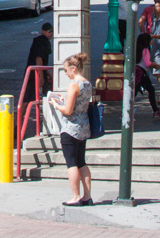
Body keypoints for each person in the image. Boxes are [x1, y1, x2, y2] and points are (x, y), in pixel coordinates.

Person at [50, 52, 93, 207]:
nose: (66, 73)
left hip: (70, 128)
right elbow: (80, 104)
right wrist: (65, 100)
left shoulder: (74, 84)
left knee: (71, 163)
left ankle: (75, 196)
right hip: (84, 126)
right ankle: (87, 196)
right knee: (82, 161)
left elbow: (68, 111)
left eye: (66, 70)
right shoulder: (87, 84)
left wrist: (56, 105)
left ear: (73, 68)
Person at [135, 34, 160, 118]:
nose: (151, 41)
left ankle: (155, 110)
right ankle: (155, 110)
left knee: (136, 92)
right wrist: (155, 65)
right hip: (142, 73)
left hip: (136, 72)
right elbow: (147, 63)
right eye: (150, 40)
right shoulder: (145, 50)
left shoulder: (135, 48)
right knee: (150, 90)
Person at [23, 23, 53, 103]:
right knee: (28, 98)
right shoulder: (43, 42)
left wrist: (49, 75)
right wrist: (41, 77)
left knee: (30, 97)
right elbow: (38, 59)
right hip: (34, 74)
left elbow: (42, 63)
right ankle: (20, 115)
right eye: (49, 31)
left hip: (34, 72)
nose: (51, 34)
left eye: (52, 32)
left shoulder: (39, 41)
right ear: (42, 31)